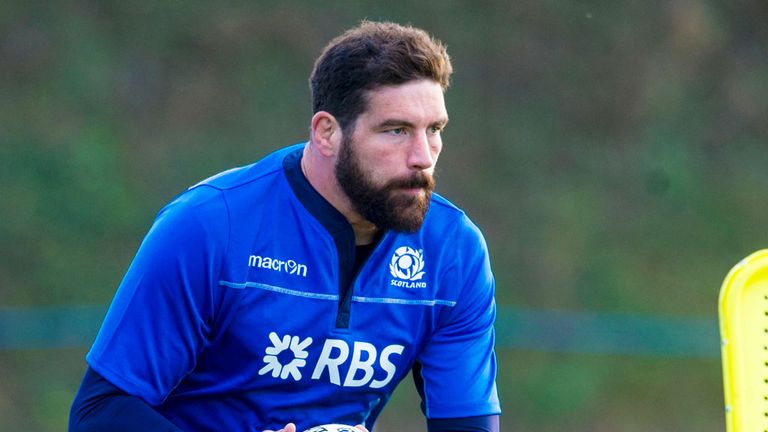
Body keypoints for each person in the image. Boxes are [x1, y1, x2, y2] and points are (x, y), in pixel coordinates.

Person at [69, 21, 500, 432]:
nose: (423, 156)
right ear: (327, 133)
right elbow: (99, 413)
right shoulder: (212, 226)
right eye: (396, 131)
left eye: (435, 130)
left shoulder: (453, 253)